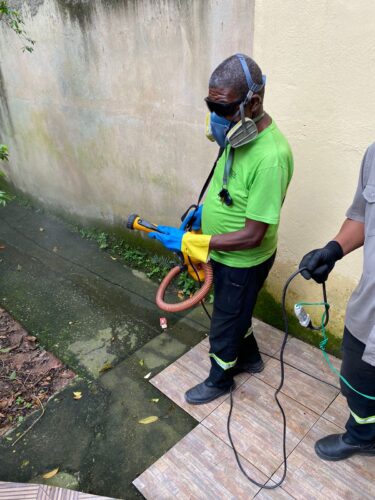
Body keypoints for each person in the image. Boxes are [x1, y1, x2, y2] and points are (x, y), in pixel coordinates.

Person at [149, 54, 293, 404]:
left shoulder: (270, 156)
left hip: (244, 260)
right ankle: (251, 358)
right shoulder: (237, 135)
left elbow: (253, 234)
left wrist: (192, 242)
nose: (216, 115)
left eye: (223, 107)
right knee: (235, 311)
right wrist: (202, 215)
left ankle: (220, 379)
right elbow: (228, 187)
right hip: (225, 254)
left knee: (225, 322)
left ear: (253, 102)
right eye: (210, 104)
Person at [299, 143, 375, 461]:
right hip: (369, 313)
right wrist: (333, 249)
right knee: (356, 384)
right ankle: (363, 437)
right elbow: (361, 215)